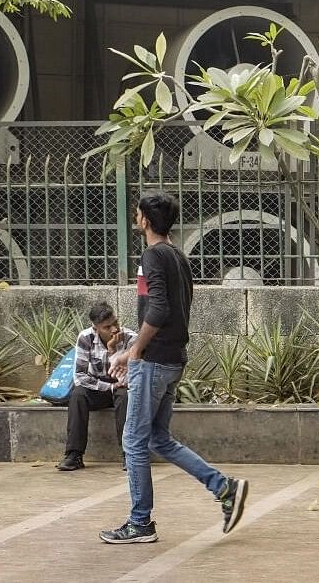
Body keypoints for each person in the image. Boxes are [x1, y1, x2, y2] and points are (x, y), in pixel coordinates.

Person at [101, 191, 248, 544]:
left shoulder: (153, 255)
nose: (135, 218)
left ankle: (140, 524)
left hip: (153, 362)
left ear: (145, 221)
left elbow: (160, 310)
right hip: (171, 358)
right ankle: (223, 487)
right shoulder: (178, 256)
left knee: (133, 442)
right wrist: (131, 354)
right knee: (158, 438)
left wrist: (134, 350)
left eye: (137, 214)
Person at [56, 302, 135, 472]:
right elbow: (80, 377)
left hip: (122, 387)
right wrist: (108, 387)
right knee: (78, 395)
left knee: (125, 395)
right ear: (96, 328)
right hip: (98, 388)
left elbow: (130, 379)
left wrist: (112, 349)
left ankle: (129, 455)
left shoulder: (130, 338)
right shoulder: (86, 338)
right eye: (107, 327)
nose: (114, 329)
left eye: (116, 322)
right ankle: (74, 455)